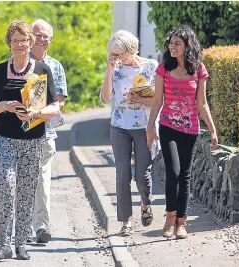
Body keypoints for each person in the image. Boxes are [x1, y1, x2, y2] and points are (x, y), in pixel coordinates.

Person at [0, 20, 59, 260]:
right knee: (6, 187)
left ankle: (21, 244)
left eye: (24, 40)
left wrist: (36, 113)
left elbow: (55, 106)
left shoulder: (42, 70)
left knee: (25, 192)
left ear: (30, 42)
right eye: (15, 41)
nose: (19, 45)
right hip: (4, 138)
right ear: (9, 43)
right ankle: (4, 244)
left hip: (33, 139)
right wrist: (5, 106)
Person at [146, 25, 218, 239]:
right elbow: (158, 100)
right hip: (168, 126)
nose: (172, 46)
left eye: (177, 43)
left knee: (185, 176)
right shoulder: (163, 68)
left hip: (190, 130)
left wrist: (212, 131)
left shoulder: (198, 70)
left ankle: (181, 222)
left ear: (188, 46)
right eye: (171, 43)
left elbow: (202, 103)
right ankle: (170, 217)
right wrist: (150, 128)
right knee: (174, 172)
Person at [99, 30, 158, 236]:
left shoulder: (151, 67)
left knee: (142, 175)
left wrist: (140, 98)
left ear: (133, 49)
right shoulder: (115, 69)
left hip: (144, 127)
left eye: (121, 53)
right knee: (122, 174)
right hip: (119, 127)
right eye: (114, 54)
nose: (118, 58)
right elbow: (105, 99)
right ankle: (126, 221)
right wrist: (109, 69)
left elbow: (159, 99)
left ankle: (145, 203)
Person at [29, 18, 68, 244]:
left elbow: (60, 103)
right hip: (19, 132)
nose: (42, 39)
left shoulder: (56, 66)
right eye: (38, 34)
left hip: (46, 131)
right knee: (22, 180)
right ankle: (22, 225)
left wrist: (39, 112)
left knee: (42, 180)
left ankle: (42, 228)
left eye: (47, 36)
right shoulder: (17, 63)